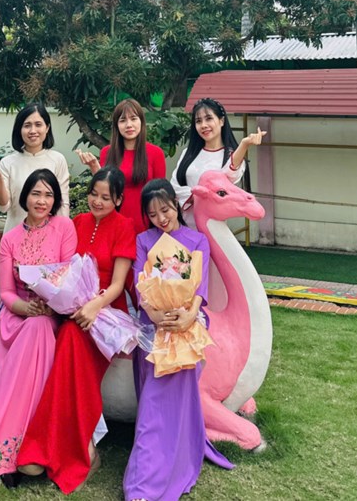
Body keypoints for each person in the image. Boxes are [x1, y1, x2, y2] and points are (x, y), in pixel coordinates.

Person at [15, 167, 137, 494]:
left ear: (118, 200)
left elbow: (118, 284)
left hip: (106, 315)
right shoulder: (76, 222)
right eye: (94, 194)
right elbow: (61, 271)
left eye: (106, 197)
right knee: (68, 339)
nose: (98, 201)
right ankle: (68, 446)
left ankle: (76, 449)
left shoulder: (124, 226)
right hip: (71, 311)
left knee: (70, 340)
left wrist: (94, 307)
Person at [0, 169, 77, 493]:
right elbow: (7, 293)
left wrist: (49, 307)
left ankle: (15, 440)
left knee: (39, 328)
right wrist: (26, 308)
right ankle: (13, 444)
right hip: (16, 316)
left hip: (51, 314)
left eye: (48, 195)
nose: (42, 201)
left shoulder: (64, 228)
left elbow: (68, 277)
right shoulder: (10, 238)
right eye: (36, 193)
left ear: (56, 200)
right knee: (34, 327)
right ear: (25, 197)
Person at [123, 179, 234, 501]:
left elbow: (200, 287)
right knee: (153, 406)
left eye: (165, 210)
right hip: (154, 326)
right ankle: (143, 484)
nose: (161, 218)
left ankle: (180, 457)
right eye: (153, 214)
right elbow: (140, 284)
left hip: (187, 325)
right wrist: (156, 315)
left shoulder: (197, 240)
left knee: (179, 397)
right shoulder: (143, 240)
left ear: (176, 205)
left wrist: (188, 316)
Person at [0, 103, 70, 401]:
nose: (33, 130)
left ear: (47, 128)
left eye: (39, 124)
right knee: (11, 306)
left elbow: (62, 206)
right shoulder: (9, 162)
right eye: (27, 125)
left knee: (45, 312)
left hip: (49, 244)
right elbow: (4, 205)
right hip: (15, 241)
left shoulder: (57, 160)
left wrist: (58, 248)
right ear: (19, 129)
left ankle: (40, 385)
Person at [170, 97, 266, 228]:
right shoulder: (188, 153)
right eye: (198, 121)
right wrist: (197, 195)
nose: (203, 125)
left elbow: (229, 174)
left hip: (212, 229)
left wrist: (244, 145)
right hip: (184, 227)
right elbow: (174, 186)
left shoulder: (231, 158)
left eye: (209, 118)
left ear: (221, 121)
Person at [76, 98, 165, 233]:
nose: (129, 125)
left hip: (147, 224)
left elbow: (161, 194)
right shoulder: (107, 152)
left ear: (141, 121)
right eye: (123, 120)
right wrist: (94, 167)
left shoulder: (156, 153)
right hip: (114, 224)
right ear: (116, 125)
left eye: (133, 119)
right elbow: (104, 189)